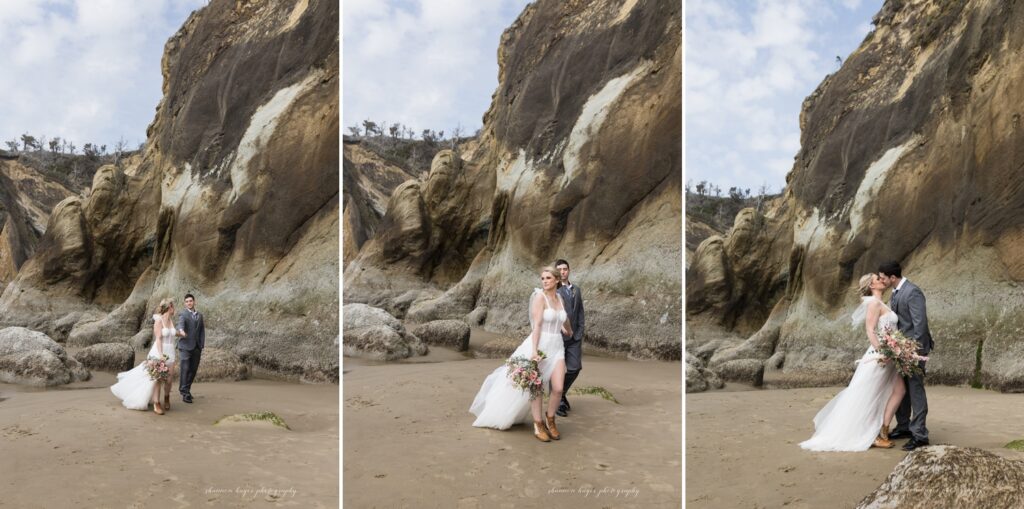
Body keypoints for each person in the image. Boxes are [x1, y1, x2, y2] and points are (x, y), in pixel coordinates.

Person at [799, 274, 906, 451]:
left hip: (890, 353)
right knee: (871, 393)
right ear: (871, 285)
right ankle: (874, 434)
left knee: (898, 390)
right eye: (877, 278)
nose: (881, 279)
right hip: (880, 355)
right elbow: (870, 331)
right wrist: (883, 351)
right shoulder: (873, 303)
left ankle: (882, 430)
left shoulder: (881, 302)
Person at [470, 267, 571, 441]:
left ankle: (551, 419)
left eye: (548, 278)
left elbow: (563, 317)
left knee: (558, 388)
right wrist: (533, 351)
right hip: (541, 345)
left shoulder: (560, 298)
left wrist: (568, 329)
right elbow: (537, 325)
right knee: (536, 386)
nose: (544, 281)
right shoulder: (540, 297)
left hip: (558, 346)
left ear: (556, 280)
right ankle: (538, 424)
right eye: (542, 278)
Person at [878, 261, 933, 451]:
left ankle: (920, 435)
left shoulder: (913, 292)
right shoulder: (895, 292)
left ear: (892, 277)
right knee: (901, 389)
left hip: (914, 350)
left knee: (915, 390)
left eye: (883, 278)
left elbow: (920, 324)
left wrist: (915, 351)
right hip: (900, 350)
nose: (881, 281)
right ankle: (903, 427)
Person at [111, 298, 186, 413]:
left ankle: (166, 397)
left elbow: (172, 332)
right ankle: (157, 403)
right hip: (158, 352)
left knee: (169, 379)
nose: (174, 309)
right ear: (169, 307)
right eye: (173, 306)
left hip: (170, 351)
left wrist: (181, 334)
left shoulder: (170, 320)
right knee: (157, 378)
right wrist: (161, 355)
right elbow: (159, 339)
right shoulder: (158, 321)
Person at [555, 259, 584, 417]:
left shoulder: (577, 290)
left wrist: (579, 333)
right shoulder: (554, 291)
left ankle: (561, 392)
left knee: (575, 368)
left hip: (574, 338)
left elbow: (580, 313)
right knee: (557, 371)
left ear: (569, 270)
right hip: (558, 338)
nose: (563, 272)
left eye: (565, 269)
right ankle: (558, 400)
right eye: (559, 269)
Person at [177, 293, 205, 404]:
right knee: (185, 369)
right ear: (185, 303)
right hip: (185, 346)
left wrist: (201, 345)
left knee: (193, 370)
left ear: (194, 302)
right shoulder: (183, 314)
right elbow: (180, 324)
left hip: (197, 347)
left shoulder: (200, 315)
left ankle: (187, 389)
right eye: (187, 301)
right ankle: (184, 393)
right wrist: (181, 331)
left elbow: (202, 330)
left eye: (191, 301)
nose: (189, 303)